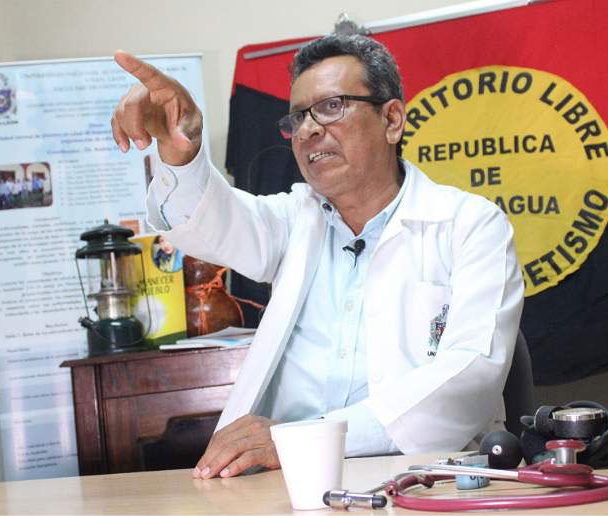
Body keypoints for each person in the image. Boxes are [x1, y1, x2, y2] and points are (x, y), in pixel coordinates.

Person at [111, 34, 524, 480]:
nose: (307, 130)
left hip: (417, 479)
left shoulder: (470, 225)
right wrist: (181, 152)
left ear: (392, 120)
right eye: (298, 117)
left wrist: (305, 437)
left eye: (332, 106)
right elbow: (209, 222)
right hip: (281, 481)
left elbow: (469, 376)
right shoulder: (294, 219)